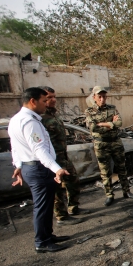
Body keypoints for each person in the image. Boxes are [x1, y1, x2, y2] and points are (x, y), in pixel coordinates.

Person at [8, 87, 71, 253]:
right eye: (44, 101)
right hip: (38, 168)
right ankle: (42, 242)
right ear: (32, 101)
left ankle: (48, 235)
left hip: (31, 167)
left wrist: (18, 166)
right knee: (42, 207)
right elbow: (39, 150)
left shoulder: (16, 119)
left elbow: (15, 147)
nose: (46, 104)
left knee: (46, 205)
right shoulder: (30, 122)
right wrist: (57, 169)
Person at [39, 86, 90, 225]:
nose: (53, 100)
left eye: (54, 96)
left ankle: (74, 207)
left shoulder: (54, 114)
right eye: (49, 97)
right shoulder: (40, 118)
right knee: (57, 189)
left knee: (73, 181)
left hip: (63, 156)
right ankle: (61, 216)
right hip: (52, 159)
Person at [85, 86, 133, 206]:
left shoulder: (112, 108)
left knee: (122, 168)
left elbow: (119, 123)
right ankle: (109, 195)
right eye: (100, 97)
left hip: (115, 142)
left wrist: (103, 124)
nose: (102, 99)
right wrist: (111, 124)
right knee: (105, 171)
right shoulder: (89, 111)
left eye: (104, 96)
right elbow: (93, 127)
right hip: (101, 144)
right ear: (94, 97)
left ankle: (126, 191)